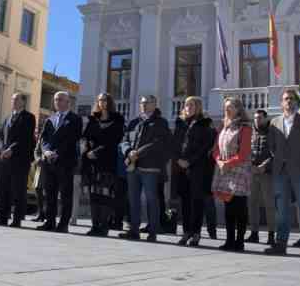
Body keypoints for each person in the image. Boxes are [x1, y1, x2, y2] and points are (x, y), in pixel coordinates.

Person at [265, 89, 300, 257]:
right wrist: (280, 159)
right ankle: (281, 244)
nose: (288, 102)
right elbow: (271, 146)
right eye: (285, 99)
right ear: (281, 103)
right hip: (280, 172)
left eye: (291, 99)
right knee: (281, 209)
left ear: (296, 102)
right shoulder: (274, 122)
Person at [119, 94, 171, 242]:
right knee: (133, 199)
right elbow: (124, 140)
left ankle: (153, 231)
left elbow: (159, 143)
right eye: (141, 102)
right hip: (132, 166)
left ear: (154, 104)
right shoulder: (134, 122)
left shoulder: (161, 122)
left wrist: (138, 153)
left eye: (146, 102)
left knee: (151, 199)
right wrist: (129, 151)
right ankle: (133, 230)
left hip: (150, 167)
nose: (143, 105)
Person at [173, 96, 215, 247]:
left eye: (191, 105)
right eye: (186, 105)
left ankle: (196, 233)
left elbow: (205, 147)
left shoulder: (205, 124)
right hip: (181, 167)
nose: (188, 107)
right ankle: (186, 232)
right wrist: (178, 159)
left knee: (196, 201)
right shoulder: (180, 123)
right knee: (184, 201)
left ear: (198, 107)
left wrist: (189, 161)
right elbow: (175, 144)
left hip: (198, 168)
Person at [81, 93, 125, 237]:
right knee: (93, 195)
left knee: (105, 195)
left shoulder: (118, 119)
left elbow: (114, 140)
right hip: (92, 162)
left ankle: (104, 226)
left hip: (107, 161)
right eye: (100, 100)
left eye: (105, 100)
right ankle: (95, 225)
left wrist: (97, 151)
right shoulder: (93, 119)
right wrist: (87, 150)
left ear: (110, 102)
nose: (102, 102)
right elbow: (86, 138)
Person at [212, 97, 253, 252]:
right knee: (228, 207)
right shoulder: (224, 127)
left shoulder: (245, 128)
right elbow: (216, 148)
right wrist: (219, 161)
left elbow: (244, 153)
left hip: (239, 172)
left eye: (230, 107)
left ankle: (239, 241)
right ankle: (229, 241)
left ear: (238, 109)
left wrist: (227, 163)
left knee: (240, 208)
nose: (227, 110)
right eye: (225, 107)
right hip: (224, 171)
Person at [37, 91, 81, 233]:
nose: (57, 102)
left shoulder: (75, 119)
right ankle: (49, 222)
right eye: (56, 99)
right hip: (49, 162)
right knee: (49, 193)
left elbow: (72, 139)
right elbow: (43, 139)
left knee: (65, 194)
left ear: (68, 102)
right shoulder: (50, 119)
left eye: (60, 99)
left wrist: (57, 153)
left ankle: (63, 224)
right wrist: (46, 151)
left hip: (65, 161)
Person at [0, 92, 36, 228]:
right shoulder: (7, 117)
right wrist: (3, 150)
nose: (13, 101)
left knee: (18, 190)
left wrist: (12, 149)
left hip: (20, 159)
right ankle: (2, 217)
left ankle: (17, 219)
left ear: (23, 101)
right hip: (5, 159)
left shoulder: (29, 117)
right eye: (12, 99)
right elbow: (4, 137)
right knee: (3, 189)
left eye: (16, 99)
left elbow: (25, 138)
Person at [245, 109, 276, 246]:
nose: (257, 120)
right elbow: (246, 150)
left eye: (259, 118)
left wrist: (264, 165)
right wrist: (251, 165)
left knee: (270, 204)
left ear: (265, 118)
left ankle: (271, 235)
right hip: (252, 172)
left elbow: (276, 152)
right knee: (252, 203)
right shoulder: (250, 132)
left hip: (267, 173)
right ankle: (254, 233)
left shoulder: (273, 132)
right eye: (255, 118)